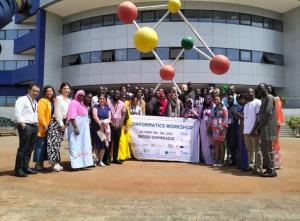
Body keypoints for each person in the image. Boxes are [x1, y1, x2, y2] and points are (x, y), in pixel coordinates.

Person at [251, 83, 277, 177]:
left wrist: (257, 129)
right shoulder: (264, 99)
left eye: (261, 88)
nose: (260, 90)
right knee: (266, 149)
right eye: (258, 89)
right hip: (264, 128)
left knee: (266, 149)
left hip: (267, 128)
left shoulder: (269, 97)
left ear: (266, 88)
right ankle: (270, 169)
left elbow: (267, 114)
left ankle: (271, 170)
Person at [14, 83, 40, 177]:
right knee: (23, 148)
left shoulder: (35, 102)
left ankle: (25, 167)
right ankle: (18, 169)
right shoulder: (22, 99)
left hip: (34, 126)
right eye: (34, 90)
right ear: (29, 90)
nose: (36, 93)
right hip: (26, 126)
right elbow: (18, 112)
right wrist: (22, 123)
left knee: (30, 148)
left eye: (37, 91)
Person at [47, 82, 71, 172]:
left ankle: (57, 162)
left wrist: (66, 124)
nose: (66, 90)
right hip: (56, 123)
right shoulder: (58, 98)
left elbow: (69, 114)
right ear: (61, 90)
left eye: (68, 88)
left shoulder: (69, 100)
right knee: (53, 144)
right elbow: (57, 113)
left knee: (58, 144)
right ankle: (54, 164)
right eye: (64, 88)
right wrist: (61, 125)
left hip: (64, 123)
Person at [67, 90, 93, 169]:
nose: (81, 97)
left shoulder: (82, 104)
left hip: (84, 130)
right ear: (76, 95)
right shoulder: (73, 103)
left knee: (83, 145)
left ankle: (82, 164)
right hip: (76, 129)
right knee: (75, 145)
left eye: (83, 95)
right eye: (79, 95)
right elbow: (71, 117)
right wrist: (75, 127)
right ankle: (75, 165)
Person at [33, 85, 55, 171]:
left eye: (51, 91)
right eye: (47, 91)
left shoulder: (53, 101)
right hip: (42, 128)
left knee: (44, 146)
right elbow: (40, 115)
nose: (49, 92)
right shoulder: (42, 101)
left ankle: (41, 164)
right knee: (39, 146)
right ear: (45, 93)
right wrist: (45, 125)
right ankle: (38, 165)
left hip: (50, 128)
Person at [243, 88, 263, 174]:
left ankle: (258, 167)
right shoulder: (246, 105)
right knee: (249, 150)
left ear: (254, 93)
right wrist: (243, 131)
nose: (248, 93)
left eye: (249, 92)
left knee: (257, 150)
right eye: (247, 92)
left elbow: (258, 118)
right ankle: (250, 166)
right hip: (246, 131)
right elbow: (245, 119)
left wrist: (254, 130)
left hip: (254, 131)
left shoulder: (258, 102)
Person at [91, 94, 111, 167]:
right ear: (98, 100)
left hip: (105, 129)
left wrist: (105, 123)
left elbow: (109, 117)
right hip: (97, 128)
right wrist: (100, 124)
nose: (102, 100)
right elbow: (95, 117)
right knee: (96, 145)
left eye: (103, 99)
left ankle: (100, 161)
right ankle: (94, 161)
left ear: (106, 100)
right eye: (100, 98)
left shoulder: (107, 108)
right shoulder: (95, 107)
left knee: (102, 145)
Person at [208, 96, 228, 167]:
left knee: (221, 145)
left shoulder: (224, 108)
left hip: (221, 129)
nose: (216, 101)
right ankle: (217, 160)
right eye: (215, 100)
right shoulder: (213, 109)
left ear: (220, 100)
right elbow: (210, 118)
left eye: (217, 99)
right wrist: (209, 128)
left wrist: (224, 128)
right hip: (214, 129)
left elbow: (226, 118)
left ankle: (222, 161)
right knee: (216, 145)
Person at [108, 90, 126, 164]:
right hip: (110, 125)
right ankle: (108, 159)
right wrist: (112, 123)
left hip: (119, 126)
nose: (116, 95)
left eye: (118, 94)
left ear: (120, 96)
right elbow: (107, 114)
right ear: (112, 95)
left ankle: (115, 159)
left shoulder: (122, 103)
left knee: (117, 143)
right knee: (109, 142)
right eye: (115, 93)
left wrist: (119, 124)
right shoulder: (108, 102)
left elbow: (123, 115)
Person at [268, 85, 284, 169]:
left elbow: (277, 112)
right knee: (272, 142)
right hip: (272, 123)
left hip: (275, 123)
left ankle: (277, 163)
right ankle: (273, 163)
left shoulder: (276, 99)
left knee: (275, 142)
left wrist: (275, 122)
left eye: (270, 88)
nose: (268, 90)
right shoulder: (271, 98)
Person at [199, 95, 215, 166]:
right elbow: (199, 117)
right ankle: (207, 159)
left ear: (211, 99)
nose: (208, 100)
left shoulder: (214, 107)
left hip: (212, 126)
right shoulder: (201, 107)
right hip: (203, 126)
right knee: (204, 143)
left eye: (209, 99)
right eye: (206, 99)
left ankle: (213, 159)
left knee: (212, 143)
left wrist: (211, 127)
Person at [225, 94, 240, 166]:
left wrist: (235, 115)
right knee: (230, 145)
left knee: (237, 145)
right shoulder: (226, 108)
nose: (229, 100)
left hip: (236, 129)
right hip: (229, 129)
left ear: (233, 100)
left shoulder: (237, 107)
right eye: (228, 99)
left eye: (231, 99)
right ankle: (233, 160)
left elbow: (240, 117)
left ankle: (238, 160)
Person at [235, 93, 248, 171]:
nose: (240, 100)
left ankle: (245, 165)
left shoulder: (246, 106)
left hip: (244, 129)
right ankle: (241, 164)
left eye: (241, 99)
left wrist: (239, 115)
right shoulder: (242, 107)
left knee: (244, 148)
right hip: (239, 128)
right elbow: (239, 118)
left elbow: (246, 117)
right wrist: (237, 115)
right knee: (240, 147)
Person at [118, 93, 132, 161]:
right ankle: (120, 157)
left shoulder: (126, 105)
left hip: (125, 128)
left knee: (124, 143)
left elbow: (128, 117)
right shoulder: (118, 105)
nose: (123, 99)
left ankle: (123, 156)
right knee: (121, 143)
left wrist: (127, 126)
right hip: (119, 127)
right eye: (122, 97)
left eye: (124, 98)